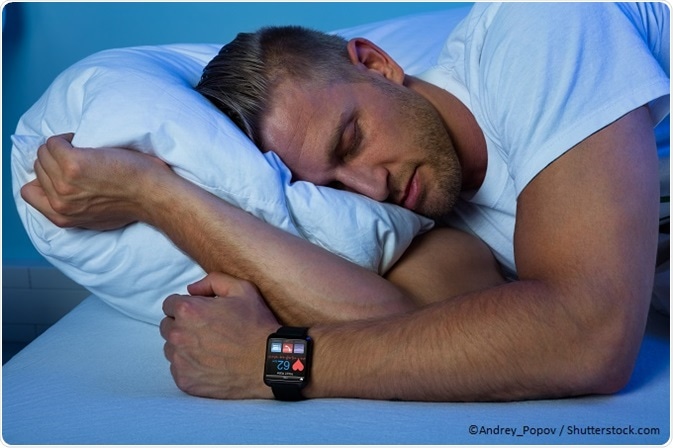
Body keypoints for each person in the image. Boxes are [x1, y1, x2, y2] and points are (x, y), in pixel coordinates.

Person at [21, 2, 669, 401]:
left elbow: (587, 337)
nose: (369, 188)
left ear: (377, 65)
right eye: (330, 187)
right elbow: (415, 333)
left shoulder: (539, 23)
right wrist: (161, 195)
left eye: (350, 140)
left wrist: (275, 363)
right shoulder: (427, 216)